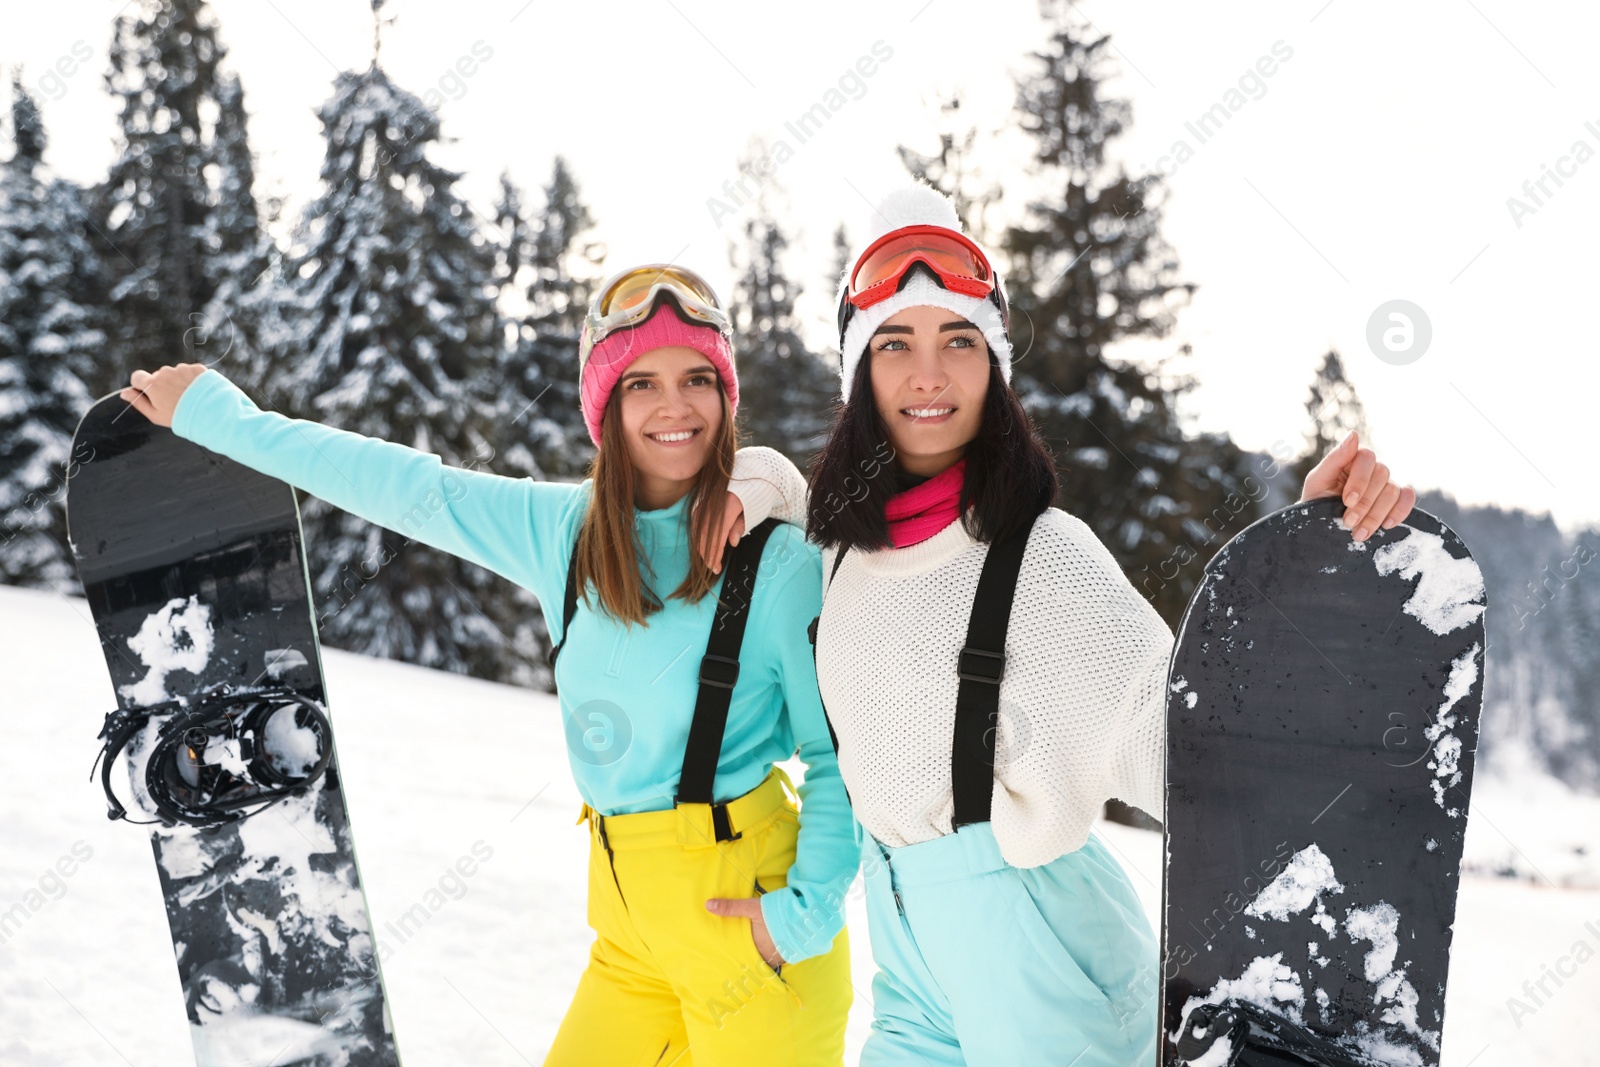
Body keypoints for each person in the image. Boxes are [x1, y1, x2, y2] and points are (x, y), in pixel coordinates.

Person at [730, 185, 1417, 1066]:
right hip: (907, 955)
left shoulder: (1043, 558)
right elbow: (786, 494)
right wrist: (753, 478)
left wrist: (1315, 568)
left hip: (1047, 960)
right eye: (895, 343)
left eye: (959, 342)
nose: (927, 373)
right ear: (859, 372)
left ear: (995, 370)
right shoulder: (839, 552)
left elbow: (1180, 734)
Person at [122, 264, 856, 1067]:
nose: (673, 406)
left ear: (726, 397)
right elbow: (401, 484)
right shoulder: (563, 534)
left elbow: (837, 755)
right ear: (605, 407)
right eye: (641, 382)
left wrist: (800, 919)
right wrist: (228, 422)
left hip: (751, 923)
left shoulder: (778, 560)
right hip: (628, 931)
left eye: (696, 379)